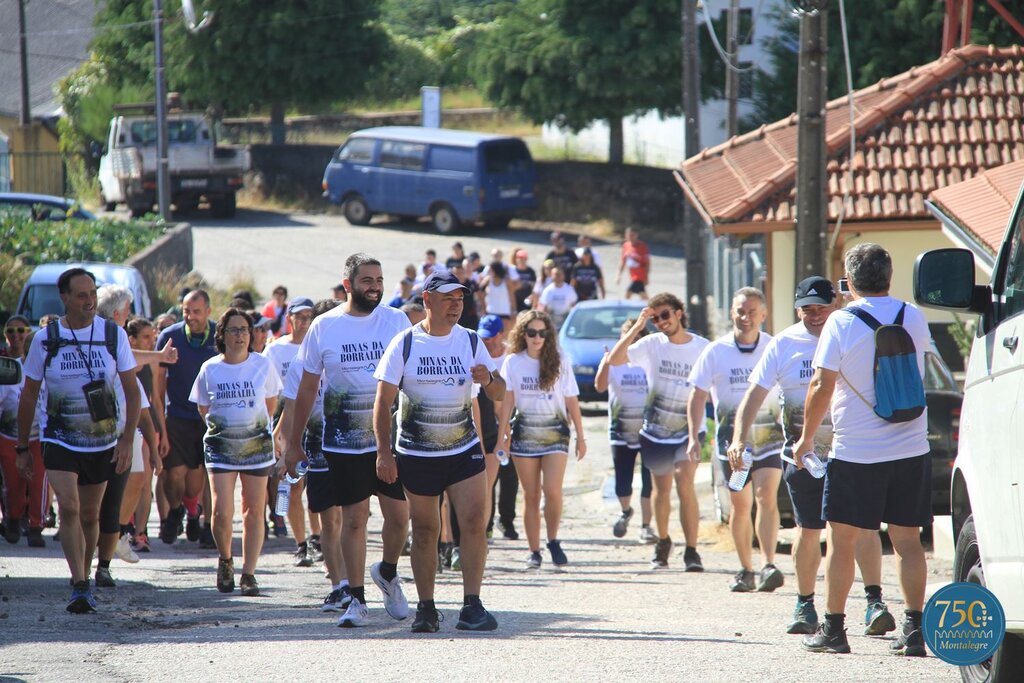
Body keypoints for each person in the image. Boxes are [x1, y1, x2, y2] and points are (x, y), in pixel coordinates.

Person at [727, 276, 893, 636]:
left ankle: (873, 601)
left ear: (835, 304)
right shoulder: (784, 343)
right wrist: (739, 437)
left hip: (853, 451)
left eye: (822, 307)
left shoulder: (854, 331)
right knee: (809, 530)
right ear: (797, 309)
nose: (815, 315)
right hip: (800, 457)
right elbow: (754, 394)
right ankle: (805, 604)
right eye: (808, 308)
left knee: (860, 529)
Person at [795, 244, 932, 656]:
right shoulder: (914, 315)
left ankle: (835, 631)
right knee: (909, 541)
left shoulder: (840, 322)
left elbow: (821, 386)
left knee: (843, 540)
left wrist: (805, 438)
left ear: (849, 281)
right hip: (911, 444)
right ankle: (913, 631)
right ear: (890, 276)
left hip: (856, 450)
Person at [373, 270, 506, 633]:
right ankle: (426, 609)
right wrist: (384, 453)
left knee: (474, 524)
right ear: (428, 300)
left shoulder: (472, 341)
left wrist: (489, 379)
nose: (455, 305)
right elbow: (383, 402)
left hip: (464, 450)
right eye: (448, 298)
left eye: (460, 299)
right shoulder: (405, 343)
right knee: (427, 529)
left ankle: (472, 606)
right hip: (417, 453)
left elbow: (499, 394)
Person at [288, 253, 411, 628]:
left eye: (379, 279)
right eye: (366, 280)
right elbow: (308, 388)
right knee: (353, 519)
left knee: (399, 517)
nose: (374, 286)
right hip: (343, 441)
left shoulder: (397, 321)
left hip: (390, 439)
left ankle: (387, 572)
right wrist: (293, 442)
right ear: (348, 285)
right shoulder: (324, 326)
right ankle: (355, 599)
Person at [17, 267, 140, 613]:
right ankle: (79, 582)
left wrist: (127, 439)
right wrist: (23, 447)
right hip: (59, 438)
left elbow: (131, 390)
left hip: (101, 440)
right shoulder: (46, 339)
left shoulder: (114, 336)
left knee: (90, 514)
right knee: (69, 507)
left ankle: (84, 576)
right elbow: (29, 395)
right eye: (81, 295)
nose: (89, 301)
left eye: (92, 294)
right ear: (66, 298)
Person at [688, 287, 784, 593]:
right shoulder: (715, 352)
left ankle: (769, 564)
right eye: (740, 311)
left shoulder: (774, 347)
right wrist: (694, 436)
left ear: (764, 315)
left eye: (752, 311)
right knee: (740, 506)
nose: (746, 317)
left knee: (766, 497)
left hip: (769, 438)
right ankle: (746, 569)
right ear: (732, 313)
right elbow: (697, 395)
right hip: (733, 446)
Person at [606, 293, 708, 570]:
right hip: (655, 432)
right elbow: (615, 360)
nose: (661, 322)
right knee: (661, 490)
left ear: (678, 313)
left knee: (684, 483)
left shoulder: (702, 347)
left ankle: (691, 550)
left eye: (665, 315)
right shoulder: (650, 344)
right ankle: (663, 540)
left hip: (690, 429)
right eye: (656, 318)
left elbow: (712, 387)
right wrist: (639, 326)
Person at [191, 308, 282, 596]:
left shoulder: (263, 365)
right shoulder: (210, 368)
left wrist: (252, 427)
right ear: (223, 335)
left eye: (245, 329)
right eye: (234, 329)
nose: (240, 335)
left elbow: (270, 404)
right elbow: (203, 407)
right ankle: (226, 560)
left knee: (253, 510)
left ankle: (249, 573)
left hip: (256, 445)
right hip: (221, 445)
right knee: (220, 511)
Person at [276, 298, 350, 612]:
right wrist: (282, 446)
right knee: (331, 520)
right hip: (318, 448)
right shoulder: (300, 363)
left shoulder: (346, 356)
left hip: (350, 445)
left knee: (351, 519)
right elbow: (290, 410)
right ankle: (341, 586)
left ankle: (354, 582)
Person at [497, 310, 584, 569]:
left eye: (542, 333)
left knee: (553, 491)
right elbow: (508, 400)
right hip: (524, 433)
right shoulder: (512, 362)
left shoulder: (560, 360)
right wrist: (503, 433)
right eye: (532, 332)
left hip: (556, 431)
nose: (537, 338)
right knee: (531, 494)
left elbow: (571, 399)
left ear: (548, 335)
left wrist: (581, 434)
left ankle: (553, 540)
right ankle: (533, 550)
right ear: (523, 334)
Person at [94, 286, 160, 585]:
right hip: (93, 427)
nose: (130, 315)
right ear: (118, 312)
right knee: (96, 497)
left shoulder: (118, 334)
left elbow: (133, 386)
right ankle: (92, 563)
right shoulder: (103, 333)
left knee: (137, 479)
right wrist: (160, 355)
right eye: (128, 309)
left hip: (125, 423)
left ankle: (116, 536)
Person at [154, 290, 218, 547]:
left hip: (210, 418)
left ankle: (200, 518)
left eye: (196, 312)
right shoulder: (170, 337)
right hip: (178, 416)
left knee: (200, 480)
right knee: (173, 474)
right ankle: (174, 513)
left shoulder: (218, 335)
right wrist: (161, 428)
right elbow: (158, 388)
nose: (190, 317)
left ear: (208, 312)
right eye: (186, 312)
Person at [264, 297, 321, 567]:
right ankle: (300, 543)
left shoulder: (319, 347)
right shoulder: (275, 351)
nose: (305, 321)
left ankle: (318, 537)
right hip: (285, 421)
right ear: (290, 319)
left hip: (317, 424)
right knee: (291, 486)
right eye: (300, 316)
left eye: (310, 316)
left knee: (318, 489)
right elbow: (268, 390)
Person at [595, 319, 655, 543]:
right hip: (620, 431)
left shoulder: (650, 361)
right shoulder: (615, 362)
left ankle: (647, 526)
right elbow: (600, 386)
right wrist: (606, 363)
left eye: (637, 337)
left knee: (649, 481)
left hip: (649, 431)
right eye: (628, 336)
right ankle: (626, 511)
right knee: (623, 480)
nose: (632, 341)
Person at [0, 315, 46, 547]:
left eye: (22, 331)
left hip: (39, 437)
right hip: (10, 435)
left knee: (38, 481)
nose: (17, 337)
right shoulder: (10, 370)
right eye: (11, 331)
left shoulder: (47, 371)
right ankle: (14, 519)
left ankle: (36, 525)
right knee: (14, 482)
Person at [478, 315, 519, 540]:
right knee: (488, 477)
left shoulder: (511, 356)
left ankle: (507, 520)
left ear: (500, 335)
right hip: (492, 421)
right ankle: (488, 524)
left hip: (513, 418)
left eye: (491, 338)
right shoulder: (480, 356)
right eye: (484, 338)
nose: (487, 342)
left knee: (511, 474)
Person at [616, 228, 650, 300]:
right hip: (633, 275)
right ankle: (653, 308)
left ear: (636, 235)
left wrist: (646, 277)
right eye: (629, 235)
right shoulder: (626, 246)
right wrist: (619, 275)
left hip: (640, 276)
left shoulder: (642, 246)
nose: (630, 237)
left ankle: (625, 309)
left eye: (632, 235)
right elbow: (623, 261)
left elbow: (647, 263)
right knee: (643, 295)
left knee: (628, 294)